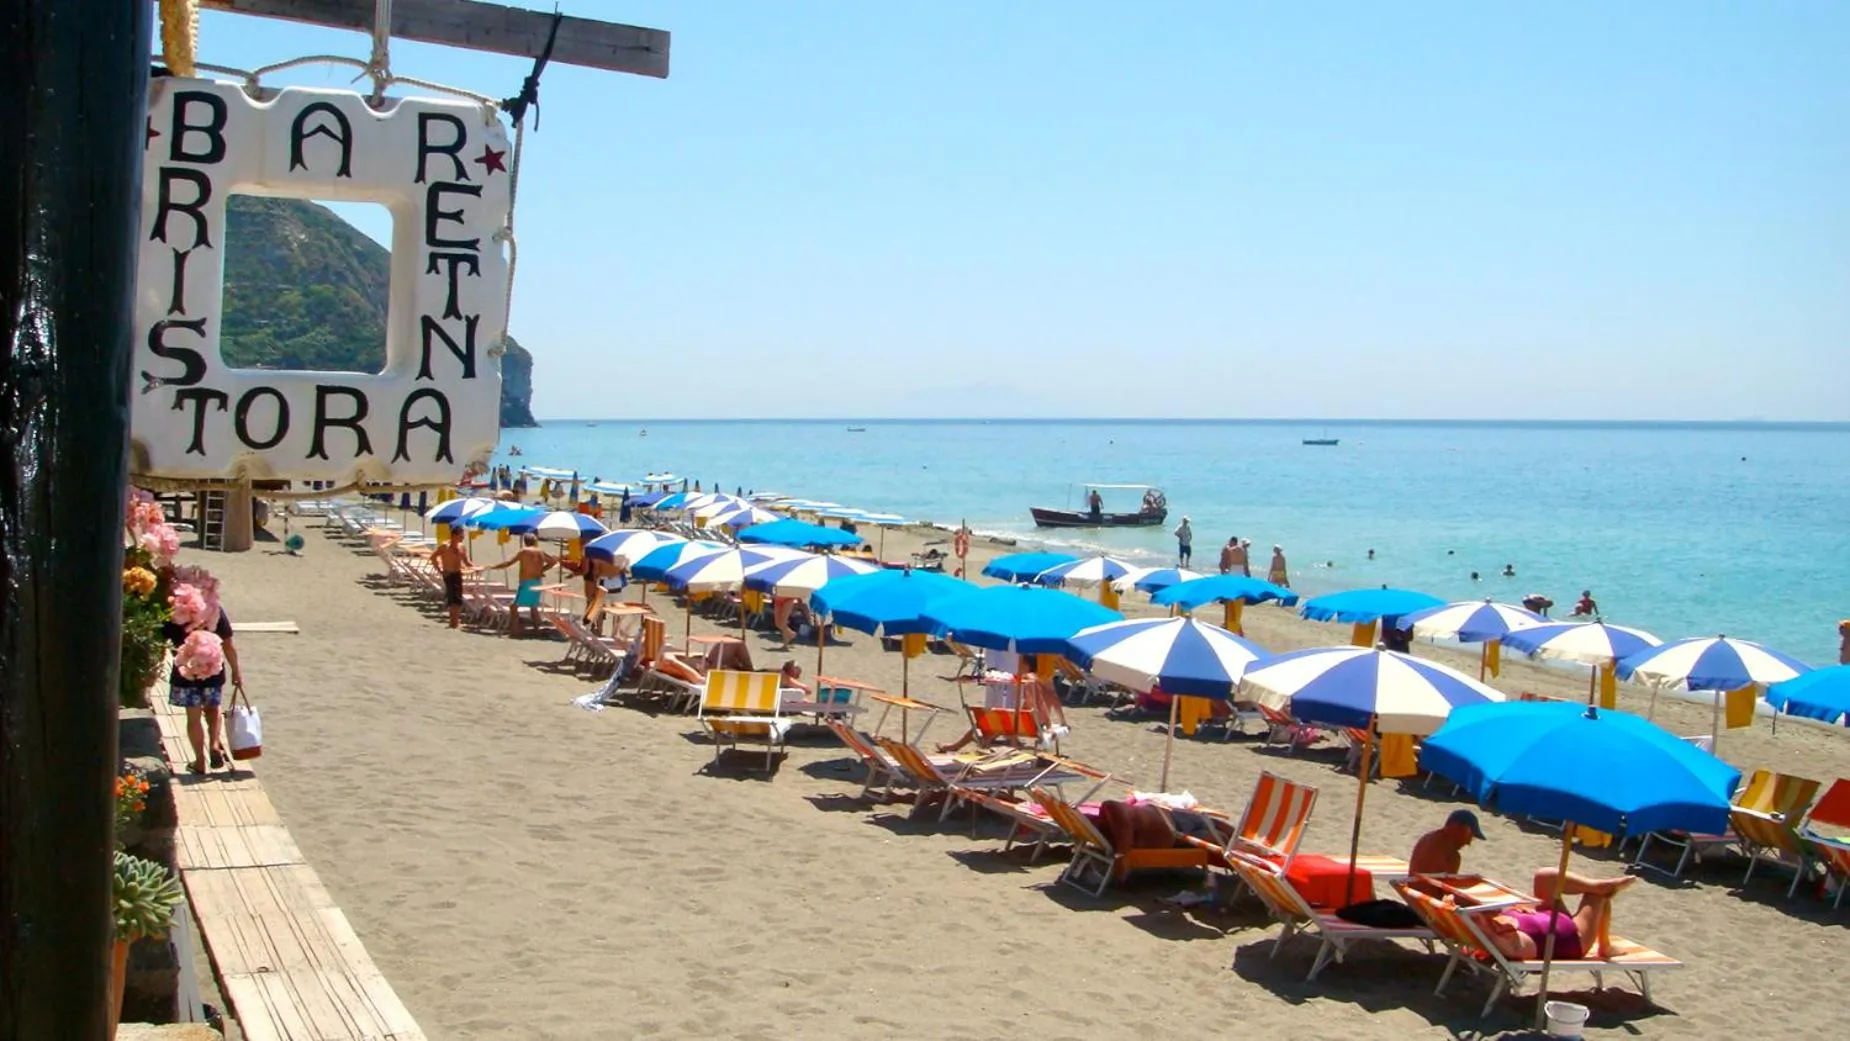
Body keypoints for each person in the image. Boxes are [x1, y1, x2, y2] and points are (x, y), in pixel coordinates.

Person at [1480, 871, 1637, 961]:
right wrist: (1490, 930)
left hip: (1549, 915)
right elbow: (1515, 950)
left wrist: (1515, 907)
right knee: (1598, 896)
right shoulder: (1502, 938)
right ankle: (1605, 946)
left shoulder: (1495, 918)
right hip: (1574, 937)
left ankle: (1596, 885)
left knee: (1544, 877)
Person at [164, 608, 242, 775]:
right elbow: (228, 645)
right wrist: (236, 671)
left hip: (186, 670)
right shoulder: (215, 610)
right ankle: (214, 744)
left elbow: (161, 641)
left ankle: (199, 762)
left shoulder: (177, 611)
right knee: (213, 709)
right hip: (212, 668)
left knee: (193, 718)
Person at [489, 533, 558, 636]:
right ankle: (537, 630)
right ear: (535, 541)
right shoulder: (541, 552)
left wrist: (494, 566)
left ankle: (515, 630)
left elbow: (509, 563)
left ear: (525, 541)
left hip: (527, 581)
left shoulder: (524, 551)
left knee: (514, 606)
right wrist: (541, 570)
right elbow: (553, 562)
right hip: (537, 581)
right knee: (533, 606)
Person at [1409, 809, 1485, 875]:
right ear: (1458, 828)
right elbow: (1443, 890)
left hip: (1412, 887)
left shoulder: (1427, 838)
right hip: (1426, 890)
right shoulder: (1452, 856)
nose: (1468, 843)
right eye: (1470, 836)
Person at [429, 527, 477, 629]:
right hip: (448, 574)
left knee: (458, 599)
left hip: (457, 574)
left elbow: (467, 562)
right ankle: (453, 622)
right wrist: (439, 569)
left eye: (463, 535)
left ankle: (455, 621)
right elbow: (433, 557)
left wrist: (476, 567)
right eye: (461, 535)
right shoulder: (445, 547)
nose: (463, 537)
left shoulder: (462, 547)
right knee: (453, 598)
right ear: (454, 535)